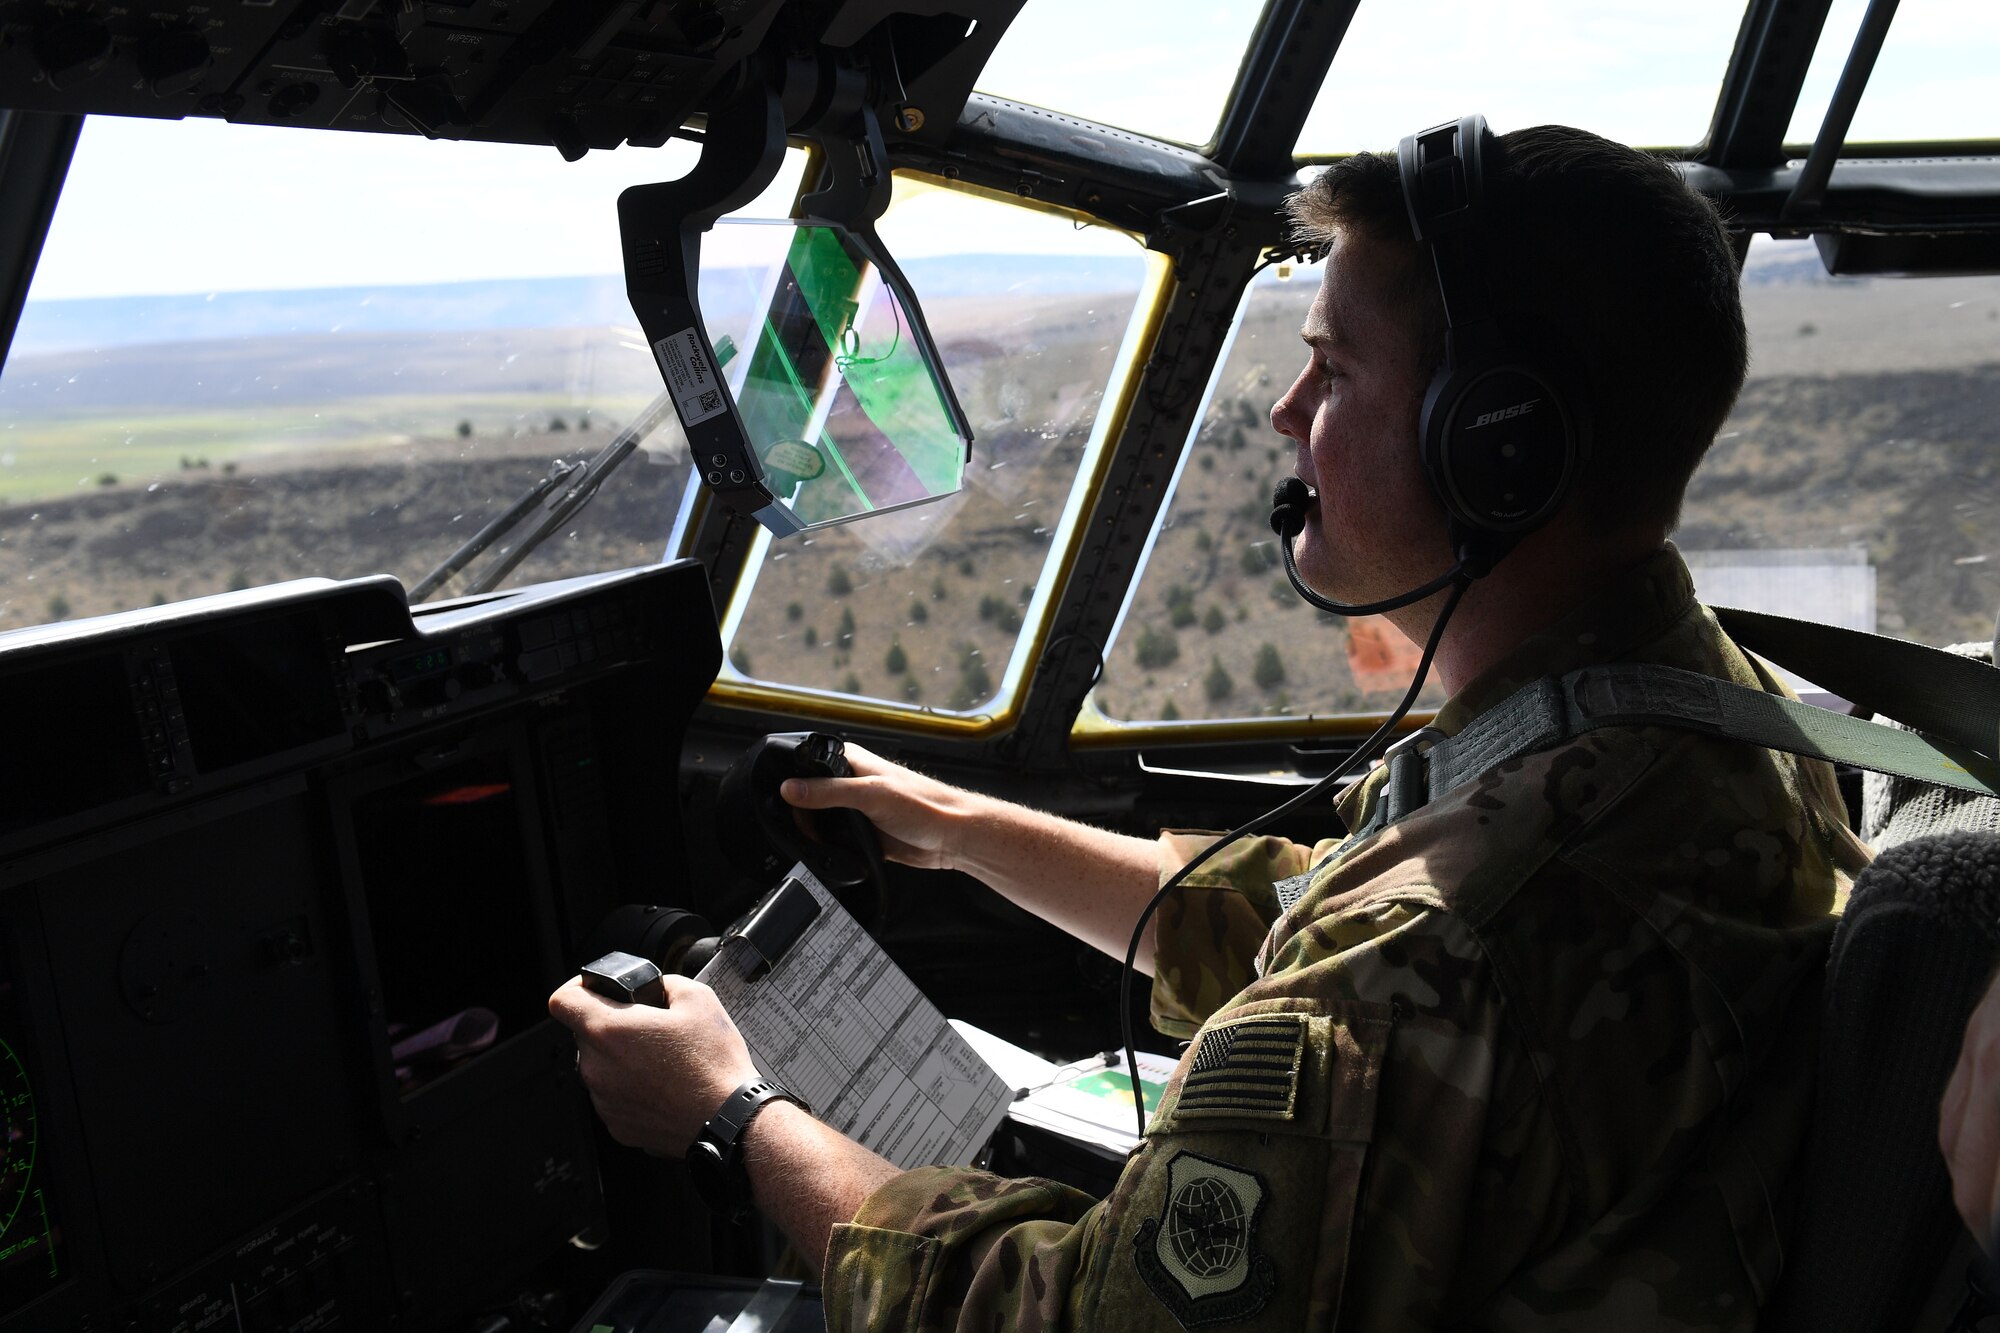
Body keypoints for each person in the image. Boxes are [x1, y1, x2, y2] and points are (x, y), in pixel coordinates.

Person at [550, 123, 1871, 1329]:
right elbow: (1309, 903)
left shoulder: (1465, 938)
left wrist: (734, 1112)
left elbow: (1085, 1318)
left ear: (1498, 445)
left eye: (1335, 369)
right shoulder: (1693, 711)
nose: (1289, 416)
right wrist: (954, 825)